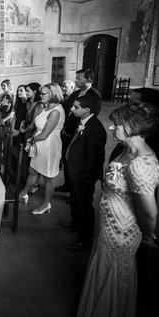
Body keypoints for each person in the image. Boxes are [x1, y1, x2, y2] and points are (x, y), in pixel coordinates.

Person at [77, 101, 159, 317]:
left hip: (122, 230)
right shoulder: (127, 151)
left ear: (132, 127)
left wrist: (149, 234)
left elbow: (149, 212)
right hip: (109, 224)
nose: (112, 128)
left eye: (117, 124)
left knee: (114, 271)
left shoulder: (140, 165)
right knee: (103, 265)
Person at [60, 95, 106, 251]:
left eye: (76, 107)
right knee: (75, 200)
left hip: (83, 175)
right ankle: (75, 222)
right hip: (75, 170)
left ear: (87, 110)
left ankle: (85, 238)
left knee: (84, 205)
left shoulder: (94, 128)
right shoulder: (82, 121)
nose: (72, 109)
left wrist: (88, 179)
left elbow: (96, 158)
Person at [20, 83, 65, 214]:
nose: (40, 95)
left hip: (49, 145)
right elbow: (38, 127)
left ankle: (46, 204)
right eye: (41, 93)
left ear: (53, 94)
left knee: (48, 177)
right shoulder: (46, 107)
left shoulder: (56, 111)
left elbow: (45, 134)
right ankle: (23, 193)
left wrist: (31, 139)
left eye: (44, 93)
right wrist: (33, 141)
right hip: (39, 143)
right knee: (32, 170)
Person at [58, 69, 102, 193]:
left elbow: (89, 118)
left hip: (78, 132)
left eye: (78, 79)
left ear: (89, 80)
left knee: (76, 161)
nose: (76, 81)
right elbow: (66, 106)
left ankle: (75, 190)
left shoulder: (95, 96)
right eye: (76, 78)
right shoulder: (76, 93)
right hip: (67, 130)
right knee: (67, 158)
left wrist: (74, 131)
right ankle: (67, 184)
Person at [108, 87, 159, 169]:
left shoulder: (152, 133)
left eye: (132, 103)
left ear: (145, 108)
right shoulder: (134, 127)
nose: (126, 106)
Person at [0, 79, 15, 146]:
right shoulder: (1, 95)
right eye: (2, 86)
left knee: (6, 140)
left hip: (7, 121)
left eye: (4, 85)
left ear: (9, 86)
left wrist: (4, 120)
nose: (3, 87)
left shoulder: (13, 96)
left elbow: (13, 111)